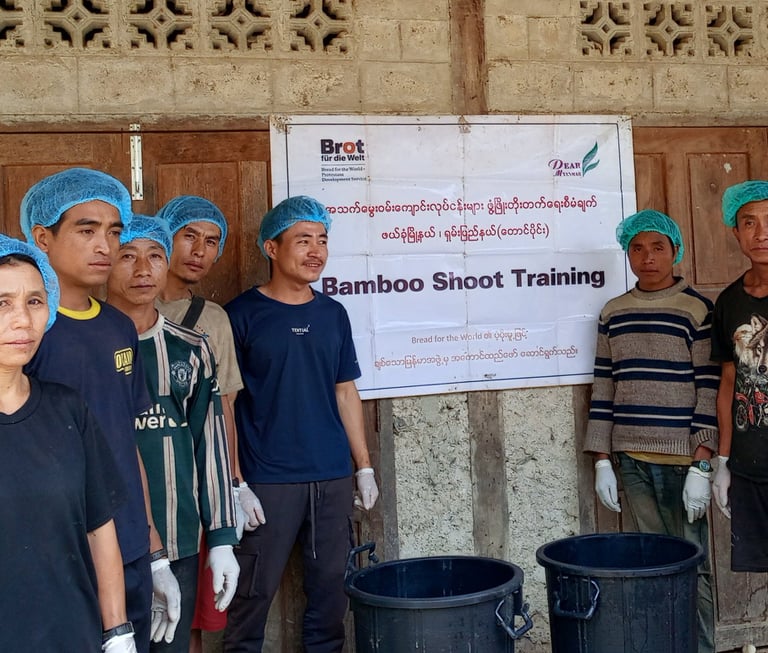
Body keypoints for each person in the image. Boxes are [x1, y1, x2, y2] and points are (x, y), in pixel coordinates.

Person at [20, 168, 181, 653]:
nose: (104, 246)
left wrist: (153, 550)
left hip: (127, 544)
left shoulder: (118, 327)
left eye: (113, 232)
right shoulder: (28, 335)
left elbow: (125, 443)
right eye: (86, 230)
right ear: (42, 238)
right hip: (60, 555)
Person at [222, 195, 380, 653]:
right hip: (267, 481)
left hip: (331, 477)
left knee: (331, 596)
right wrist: (236, 482)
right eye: (303, 240)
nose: (316, 251)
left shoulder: (332, 313)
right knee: (250, 595)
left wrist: (363, 466)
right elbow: (225, 404)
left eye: (322, 240)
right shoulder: (241, 315)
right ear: (271, 248)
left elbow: (345, 391)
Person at [584, 209, 719, 653]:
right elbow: (604, 384)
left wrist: (702, 462)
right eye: (637, 248)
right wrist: (602, 458)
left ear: (676, 251)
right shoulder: (613, 312)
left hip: (682, 462)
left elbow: (709, 387)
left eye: (658, 247)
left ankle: (699, 647)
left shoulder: (697, 309)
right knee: (652, 563)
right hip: (631, 459)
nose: (647, 257)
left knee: (692, 564)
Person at [106, 214, 240, 652]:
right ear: (106, 261)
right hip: (101, 542)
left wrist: (221, 537)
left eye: (155, 256)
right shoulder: (79, 345)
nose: (143, 269)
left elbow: (210, 445)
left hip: (179, 537)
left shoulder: (191, 348)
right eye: (128, 256)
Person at [0, 234, 136, 653]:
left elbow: (100, 528)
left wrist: (117, 631)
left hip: (71, 635)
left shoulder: (67, 409)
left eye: (34, 301)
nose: (22, 320)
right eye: (2, 303)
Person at [155, 195, 257, 648]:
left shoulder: (213, 320)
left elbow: (224, 409)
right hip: (139, 482)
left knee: (189, 617)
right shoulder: (119, 308)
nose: (199, 250)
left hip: (193, 488)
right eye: (189, 236)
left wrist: (234, 484)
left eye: (212, 241)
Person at [711, 180, 768, 573]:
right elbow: (729, 384)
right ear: (736, 231)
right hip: (751, 468)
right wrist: (724, 460)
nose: (761, 233)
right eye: (749, 222)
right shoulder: (729, 302)